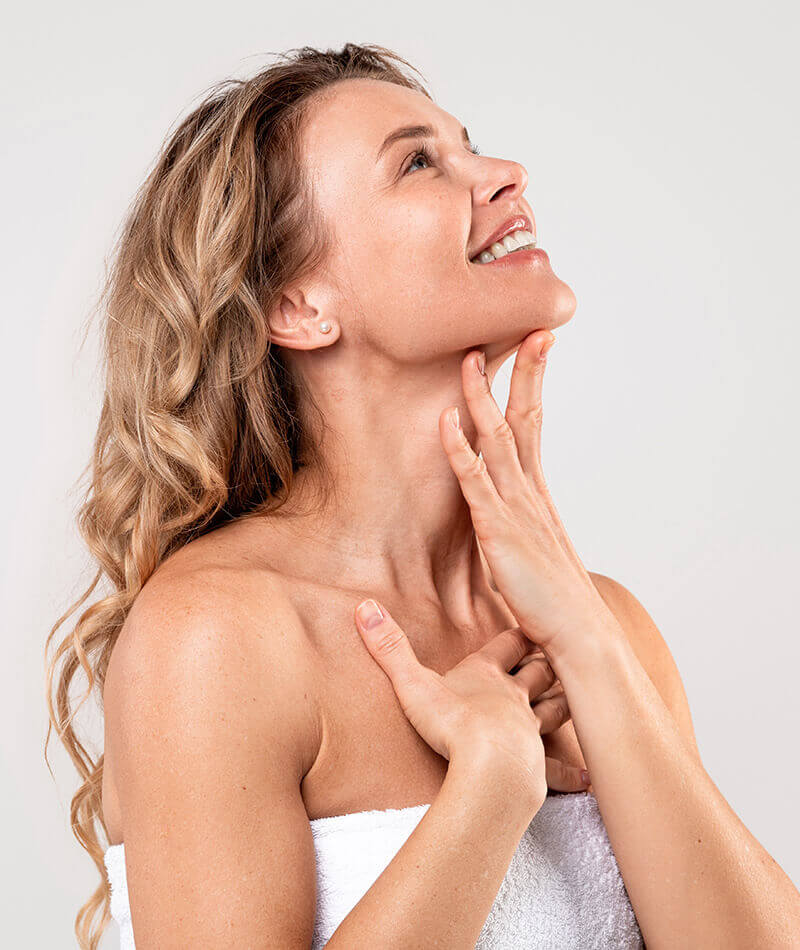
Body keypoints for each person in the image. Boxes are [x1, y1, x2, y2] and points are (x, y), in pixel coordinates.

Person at [45, 42, 800, 950]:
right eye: (417, 162)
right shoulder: (217, 639)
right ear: (298, 304)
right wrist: (487, 789)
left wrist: (592, 649)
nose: (505, 174)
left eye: (469, 146)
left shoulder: (601, 628)